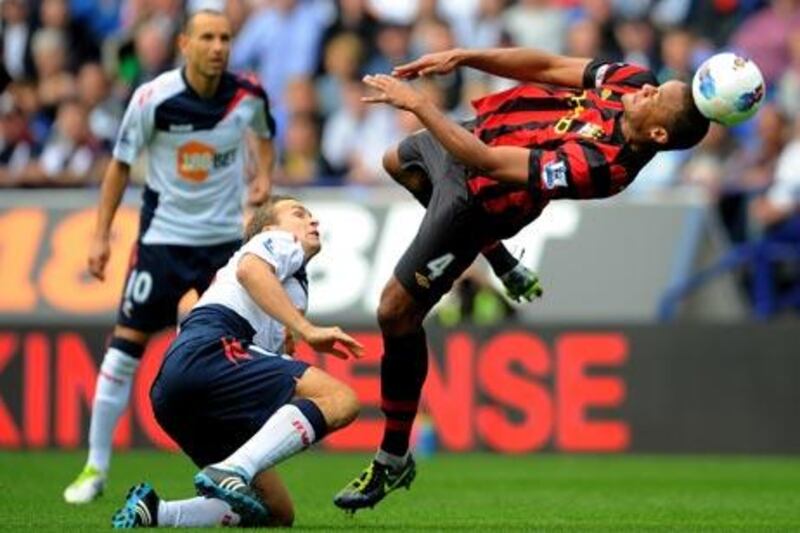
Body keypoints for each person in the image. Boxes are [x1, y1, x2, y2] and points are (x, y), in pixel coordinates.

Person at [333, 47, 710, 512]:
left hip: (479, 199)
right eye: (656, 83)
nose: (647, 87)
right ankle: (501, 259)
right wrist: (465, 56)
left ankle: (392, 458)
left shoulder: (602, 168)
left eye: (656, 95)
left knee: (393, 312)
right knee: (398, 163)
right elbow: (547, 67)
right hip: (478, 135)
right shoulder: (634, 82)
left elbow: (491, 164)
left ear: (657, 131)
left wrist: (420, 106)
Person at [64, 9, 277, 504]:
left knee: (239, 353)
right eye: (207, 37)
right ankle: (94, 469)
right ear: (185, 44)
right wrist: (100, 236)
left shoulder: (249, 94)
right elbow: (118, 167)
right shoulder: (152, 99)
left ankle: (238, 468)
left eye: (225, 37)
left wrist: (264, 175)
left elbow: (266, 135)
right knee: (124, 349)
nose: (219, 46)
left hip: (224, 246)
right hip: (163, 242)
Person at [111, 196, 364, 528]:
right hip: (214, 347)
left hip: (177, 389)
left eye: (313, 215)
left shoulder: (291, 283)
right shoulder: (275, 242)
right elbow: (250, 270)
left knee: (276, 512)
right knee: (340, 399)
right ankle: (233, 469)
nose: (312, 221)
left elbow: (267, 357)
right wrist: (306, 330)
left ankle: (155, 512)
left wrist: (290, 341)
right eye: (299, 214)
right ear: (270, 228)